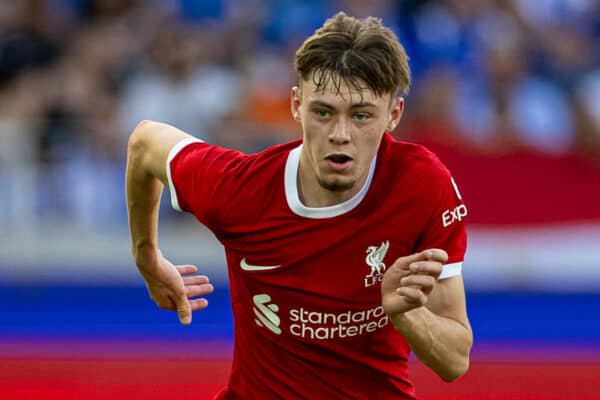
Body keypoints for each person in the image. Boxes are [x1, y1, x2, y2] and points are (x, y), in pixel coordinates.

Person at [125, 12, 472, 400]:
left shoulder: (422, 186)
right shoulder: (242, 191)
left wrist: (405, 313)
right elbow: (144, 142)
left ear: (394, 114)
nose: (340, 134)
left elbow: (455, 360)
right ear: (296, 105)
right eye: (323, 112)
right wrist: (148, 257)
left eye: (361, 116)